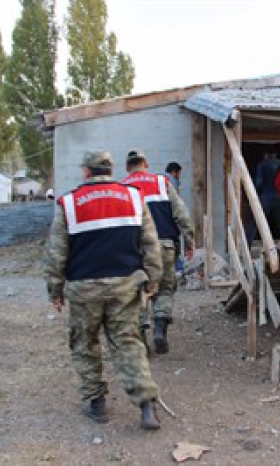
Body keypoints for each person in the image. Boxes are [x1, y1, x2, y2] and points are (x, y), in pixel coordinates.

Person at [44, 150, 163, 430]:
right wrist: (153, 278)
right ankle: (146, 406)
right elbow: (150, 243)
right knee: (128, 342)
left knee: (85, 343)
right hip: (125, 286)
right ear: (110, 170)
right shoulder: (135, 197)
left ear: (86, 172)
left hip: (84, 289)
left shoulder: (68, 203)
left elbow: (56, 252)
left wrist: (55, 289)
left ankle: (96, 403)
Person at [123, 149, 194, 354]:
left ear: (128, 167)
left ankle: (142, 338)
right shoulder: (162, 183)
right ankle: (160, 330)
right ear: (146, 163)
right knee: (164, 288)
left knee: (139, 291)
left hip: (135, 247)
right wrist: (189, 239)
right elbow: (181, 214)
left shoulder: (122, 189)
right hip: (164, 245)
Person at [247, 152, 280, 243]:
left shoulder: (262, 164)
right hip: (279, 197)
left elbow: (258, 182)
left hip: (265, 196)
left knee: (256, 221)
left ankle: (247, 246)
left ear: (265, 155)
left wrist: (253, 194)